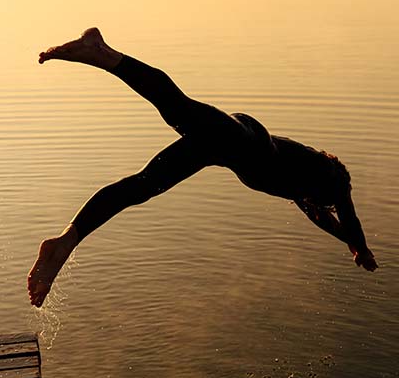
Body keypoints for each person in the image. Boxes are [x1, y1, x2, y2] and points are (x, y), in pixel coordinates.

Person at [28, 28, 377, 308]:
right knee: (176, 106)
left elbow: (324, 216)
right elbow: (346, 215)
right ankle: (102, 53)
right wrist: (358, 244)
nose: (328, 206)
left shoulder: (304, 191)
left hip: (223, 147)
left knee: (142, 185)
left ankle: (66, 241)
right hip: (242, 140)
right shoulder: (330, 178)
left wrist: (352, 245)